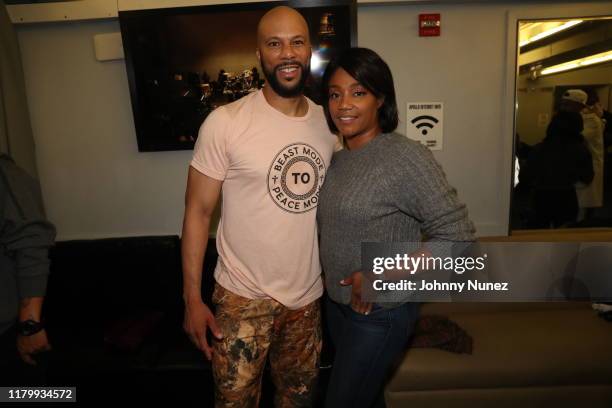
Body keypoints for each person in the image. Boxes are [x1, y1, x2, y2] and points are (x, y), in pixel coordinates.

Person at [181, 6, 336, 407]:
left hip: (305, 301)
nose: (287, 53)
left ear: (309, 51)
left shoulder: (328, 125)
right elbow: (197, 214)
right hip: (240, 300)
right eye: (274, 43)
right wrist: (192, 300)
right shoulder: (225, 123)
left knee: (299, 402)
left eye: (296, 42)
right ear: (260, 55)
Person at [317, 48, 475, 408]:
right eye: (334, 93)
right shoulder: (338, 161)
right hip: (339, 309)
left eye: (358, 93)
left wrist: (381, 272)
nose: (344, 104)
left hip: (381, 313)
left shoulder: (405, 156)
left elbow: (459, 237)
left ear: (381, 99)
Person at [0, 154, 56, 385]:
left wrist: (30, 325)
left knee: (34, 396)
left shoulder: (4, 174)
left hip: (7, 332)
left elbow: (32, 240)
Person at [526, 111, 594, 228]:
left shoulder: (540, 148)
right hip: (566, 197)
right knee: (565, 237)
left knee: (538, 235)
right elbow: (587, 177)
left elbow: (525, 176)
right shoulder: (580, 150)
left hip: (541, 197)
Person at [559, 89, 604, 220]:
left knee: (582, 207)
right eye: (563, 104)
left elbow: (576, 139)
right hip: (576, 168)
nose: (564, 108)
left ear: (579, 105)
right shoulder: (575, 118)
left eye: (568, 104)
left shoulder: (591, 120)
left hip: (588, 168)